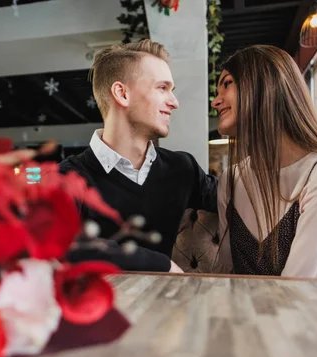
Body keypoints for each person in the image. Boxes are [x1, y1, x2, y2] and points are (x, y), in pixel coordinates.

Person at [211, 45, 317, 279]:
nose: (216, 102)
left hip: (313, 313)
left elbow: (303, 293)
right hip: (245, 312)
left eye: (226, 84)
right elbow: (226, 272)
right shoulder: (231, 179)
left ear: (265, 85)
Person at [60, 39, 218, 273]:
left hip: (168, 304)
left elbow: (240, 198)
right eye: (162, 88)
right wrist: (161, 264)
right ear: (122, 93)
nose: (174, 102)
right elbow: (58, 244)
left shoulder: (183, 168)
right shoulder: (67, 177)